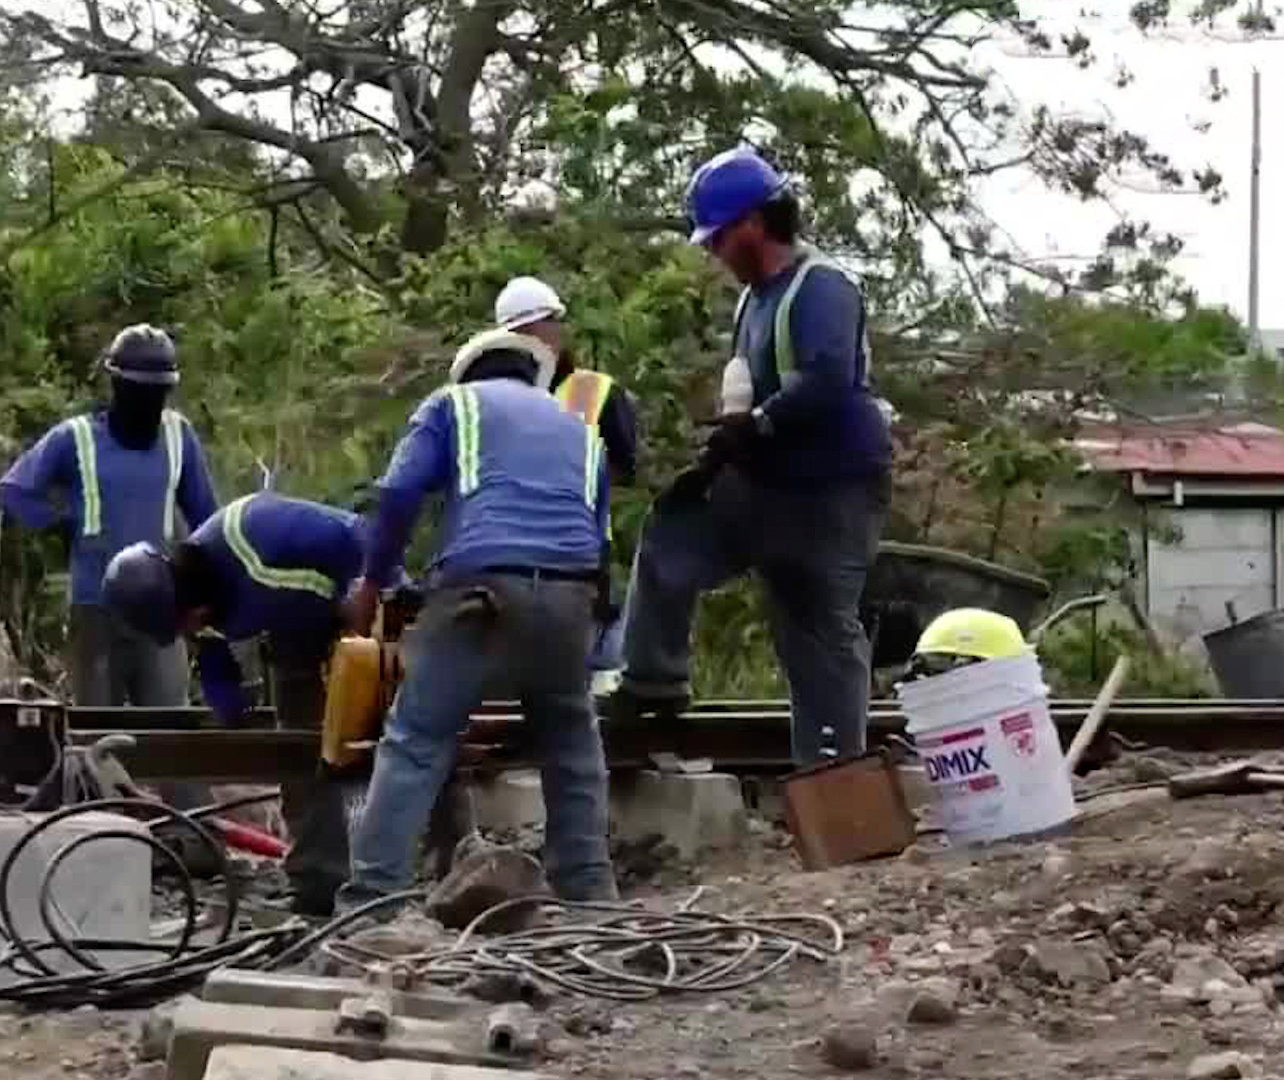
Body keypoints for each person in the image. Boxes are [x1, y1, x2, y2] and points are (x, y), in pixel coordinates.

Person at [607, 145, 892, 766]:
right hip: (767, 484)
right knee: (674, 530)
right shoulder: (752, 302)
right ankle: (652, 679)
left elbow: (825, 380)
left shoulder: (822, 288)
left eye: (717, 240)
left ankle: (837, 772)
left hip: (832, 492)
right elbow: (748, 394)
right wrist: (716, 459)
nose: (712, 254)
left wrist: (756, 425)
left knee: (816, 629)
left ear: (754, 225)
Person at [335, 327, 619, 913]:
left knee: (416, 741)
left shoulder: (453, 405)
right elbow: (601, 536)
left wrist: (372, 580)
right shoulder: (580, 427)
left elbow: (399, 493)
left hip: (481, 591)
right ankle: (591, 897)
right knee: (571, 740)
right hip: (571, 591)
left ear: (468, 373)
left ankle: (370, 904)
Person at [101, 491, 370, 916]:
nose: (188, 631)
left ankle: (440, 859)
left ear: (189, 605)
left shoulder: (258, 570)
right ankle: (317, 881)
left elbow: (347, 577)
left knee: (394, 735)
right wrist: (230, 717)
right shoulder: (200, 594)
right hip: (300, 622)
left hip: (359, 587)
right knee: (299, 752)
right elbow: (215, 659)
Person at [0, 324, 220, 710]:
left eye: (158, 392)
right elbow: (12, 490)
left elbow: (207, 518)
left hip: (163, 611)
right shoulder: (76, 438)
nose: (150, 402)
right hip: (96, 607)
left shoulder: (178, 435)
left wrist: (208, 589)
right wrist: (57, 523)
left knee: (168, 727)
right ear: (117, 386)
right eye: (140, 391)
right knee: (97, 726)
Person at [493, 276, 641, 690]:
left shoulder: (596, 391)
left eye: (540, 327)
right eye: (521, 332)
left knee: (584, 661)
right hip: (511, 552)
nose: (535, 340)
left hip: (582, 548)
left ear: (556, 328)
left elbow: (624, 466)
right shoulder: (494, 395)